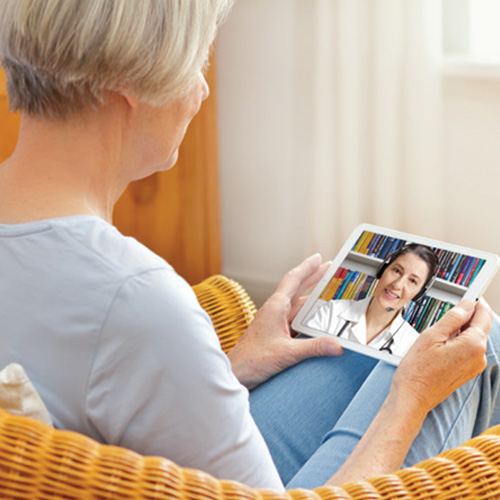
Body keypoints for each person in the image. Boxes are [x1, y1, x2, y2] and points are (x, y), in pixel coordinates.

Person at [0, 0, 497, 492]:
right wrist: (411, 400)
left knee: (363, 354)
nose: (202, 88)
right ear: (128, 83)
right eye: (197, 61)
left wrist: (229, 368)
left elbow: (95, 397)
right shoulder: (134, 298)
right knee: (478, 340)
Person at [306, 244, 438, 357]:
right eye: (397, 271)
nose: (397, 285)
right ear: (382, 270)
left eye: (412, 281)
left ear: (419, 293)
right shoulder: (332, 312)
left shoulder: (413, 345)